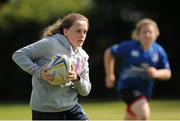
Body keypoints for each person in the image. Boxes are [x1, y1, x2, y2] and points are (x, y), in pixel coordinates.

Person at [12, 13, 91, 120]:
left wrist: (77, 78)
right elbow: (19, 55)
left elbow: (86, 91)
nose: (82, 35)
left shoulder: (83, 56)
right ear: (66, 31)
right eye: (78, 31)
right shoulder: (50, 44)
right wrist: (38, 71)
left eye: (85, 32)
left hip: (72, 108)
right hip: (46, 110)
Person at [104, 18, 171, 120]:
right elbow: (109, 52)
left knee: (133, 117)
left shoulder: (159, 51)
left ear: (156, 34)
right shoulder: (129, 46)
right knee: (144, 114)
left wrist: (156, 73)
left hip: (145, 91)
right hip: (126, 88)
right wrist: (109, 75)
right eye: (144, 32)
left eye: (150, 32)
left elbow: (167, 73)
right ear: (138, 34)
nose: (147, 35)